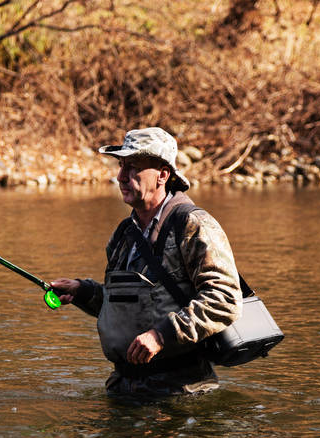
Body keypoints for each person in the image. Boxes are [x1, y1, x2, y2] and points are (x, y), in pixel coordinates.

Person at [51, 127, 243, 397]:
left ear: (163, 175)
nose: (120, 176)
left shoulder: (193, 225)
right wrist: (84, 292)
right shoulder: (123, 234)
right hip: (123, 388)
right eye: (121, 166)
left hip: (180, 392)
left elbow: (225, 299)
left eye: (133, 167)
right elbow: (130, 304)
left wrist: (161, 336)